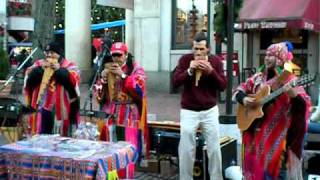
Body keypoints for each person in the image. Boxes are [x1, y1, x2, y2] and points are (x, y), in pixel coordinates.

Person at [233, 42, 311, 179]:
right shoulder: (257, 77)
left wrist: (294, 96)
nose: (267, 58)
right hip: (254, 133)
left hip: (278, 137)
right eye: (266, 55)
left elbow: (303, 105)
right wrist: (244, 99)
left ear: (280, 58)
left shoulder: (289, 79)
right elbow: (239, 90)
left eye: (271, 55)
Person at [173, 32, 227, 180]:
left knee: (214, 148)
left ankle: (216, 177)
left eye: (201, 49)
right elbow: (175, 82)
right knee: (186, 147)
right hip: (189, 110)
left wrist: (211, 72)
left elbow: (223, 85)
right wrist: (189, 71)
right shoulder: (185, 60)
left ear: (208, 49)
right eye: (195, 49)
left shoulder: (216, 62)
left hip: (209, 110)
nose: (198, 53)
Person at [94, 42, 149, 160]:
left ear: (126, 55)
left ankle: (129, 168)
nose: (116, 58)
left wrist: (123, 75)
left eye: (119, 55)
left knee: (128, 147)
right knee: (111, 146)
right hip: (111, 112)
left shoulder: (136, 69)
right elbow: (98, 96)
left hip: (129, 112)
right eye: (114, 55)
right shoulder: (107, 68)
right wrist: (103, 80)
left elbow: (140, 89)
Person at [23, 41, 80, 136]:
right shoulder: (39, 64)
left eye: (52, 53)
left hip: (63, 110)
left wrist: (60, 71)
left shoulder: (70, 66)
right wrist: (39, 70)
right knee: (42, 137)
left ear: (59, 54)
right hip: (42, 107)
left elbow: (74, 82)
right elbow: (28, 81)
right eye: (47, 53)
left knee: (61, 140)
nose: (49, 55)